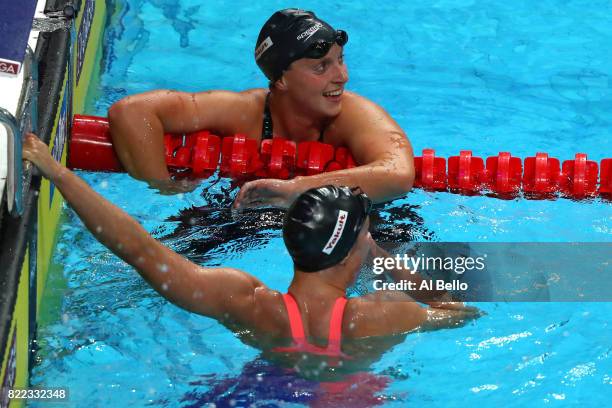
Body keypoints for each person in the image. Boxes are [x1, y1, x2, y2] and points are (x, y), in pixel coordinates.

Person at [24, 133, 482, 373]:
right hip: (355, 391)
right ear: (351, 254)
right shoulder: (384, 315)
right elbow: (459, 310)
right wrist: (381, 257)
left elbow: (140, 252)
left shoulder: (245, 303)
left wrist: (58, 173)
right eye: (366, 232)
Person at [107, 9, 415, 209]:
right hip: (248, 213)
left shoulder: (354, 114)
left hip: (351, 217)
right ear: (280, 79)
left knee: (434, 286)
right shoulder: (244, 112)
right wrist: (162, 185)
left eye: (340, 60)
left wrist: (295, 190)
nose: (342, 76)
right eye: (321, 67)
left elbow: (398, 173)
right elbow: (132, 112)